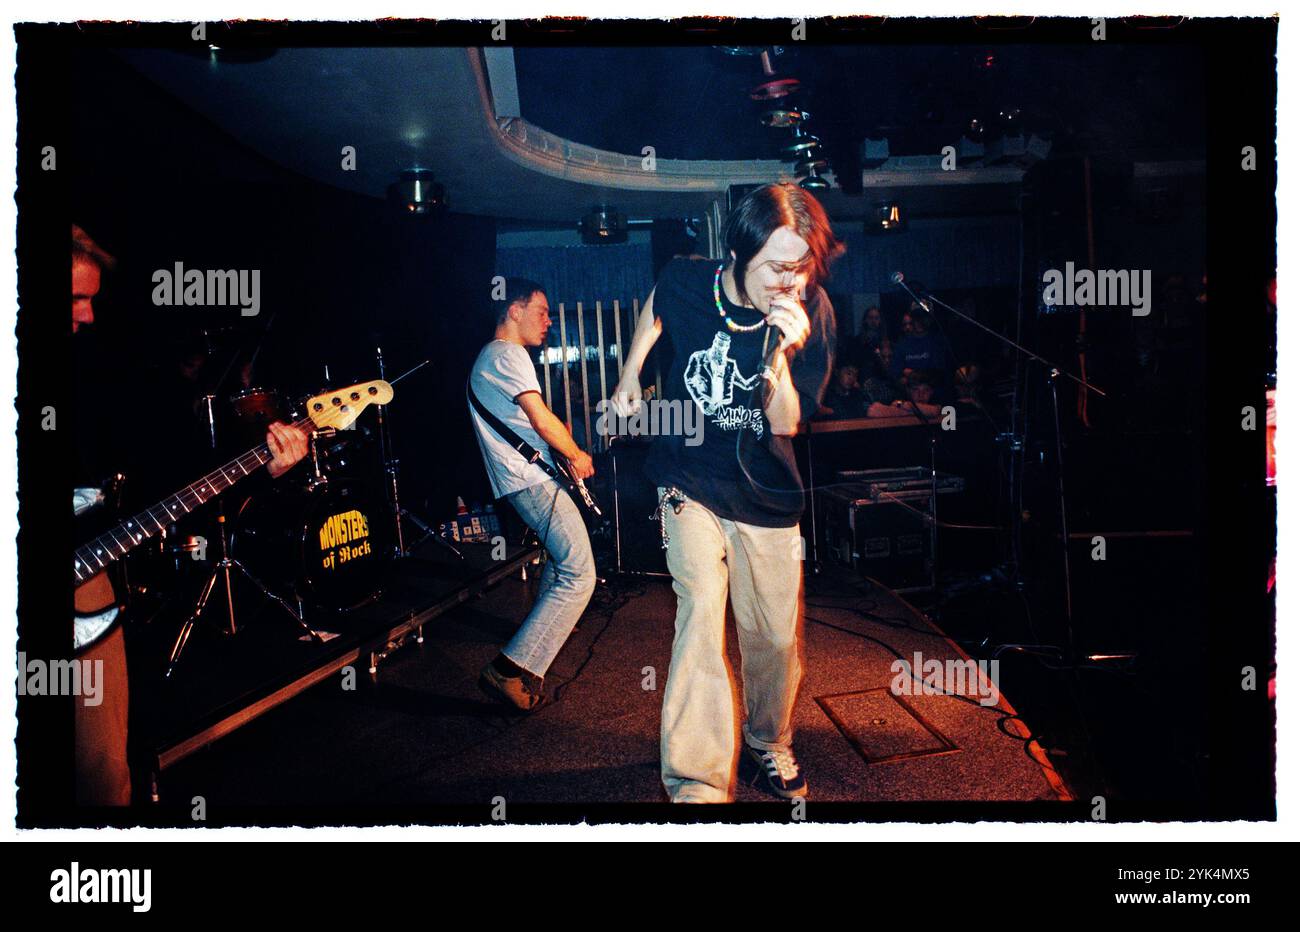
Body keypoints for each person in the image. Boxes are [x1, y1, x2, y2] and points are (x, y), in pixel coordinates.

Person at [611, 182, 842, 802]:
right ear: (739, 254)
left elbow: (787, 422)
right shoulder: (690, 279)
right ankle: (697, 780)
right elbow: (657, 306)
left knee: (772, 635)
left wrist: (784, 355)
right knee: (701, 608)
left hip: (767, 492)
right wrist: (632, 371)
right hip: (688, 476)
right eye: (774, 266)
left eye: (799, 266)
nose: (786, 281)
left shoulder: (812, 310)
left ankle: (769, 741)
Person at [71, 224, 308, 806]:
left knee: (102, 772)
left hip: (83, 583)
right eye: (76, 298)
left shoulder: (92, 379)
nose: (89, 316)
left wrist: (264, 467)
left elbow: (162, 482)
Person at [468, 278, 597, 713]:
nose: (549, 320)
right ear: (514, 311)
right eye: (541, 311)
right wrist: (576, 454)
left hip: (524, 478)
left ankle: (538, 643)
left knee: (562, 565)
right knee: (579, 571)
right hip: (529, 480)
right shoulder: (507, 354)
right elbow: (541, 420)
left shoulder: (492, 359)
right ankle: (509, 669)